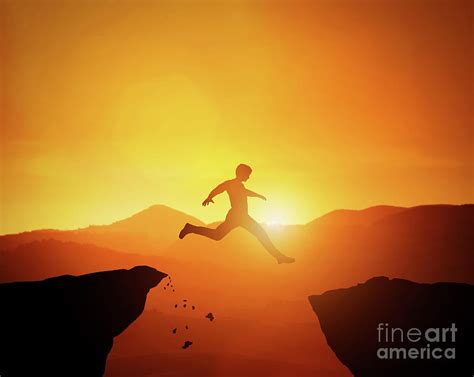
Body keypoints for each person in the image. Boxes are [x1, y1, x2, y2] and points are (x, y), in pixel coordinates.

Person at [179, 164, 295, 264]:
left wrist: (258, 196)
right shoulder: (231, 184)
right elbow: (219, 188)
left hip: (242, 217)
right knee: (220, 235)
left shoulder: (239, 185)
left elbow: (243, 192)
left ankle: (279, 256)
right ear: (242, 173)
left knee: (221, 235)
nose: (249, 177)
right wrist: (210, 197)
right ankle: (190, 228)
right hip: (237, 216)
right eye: (248, 174)